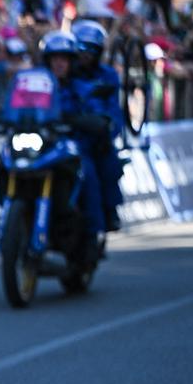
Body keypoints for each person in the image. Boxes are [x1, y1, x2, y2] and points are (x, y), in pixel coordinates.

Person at [40, 30, 104, 262]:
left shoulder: (81, 88)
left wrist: (87, 120)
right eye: (55, 58)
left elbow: (96, 112)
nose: (59, 63)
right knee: (2, 161)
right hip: (41, 147)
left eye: (64, 58)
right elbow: (16, 106)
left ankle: (92, 233)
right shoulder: (36, 85)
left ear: (71, 62)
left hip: (72, 147)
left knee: (86, 172)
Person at [71, 19, 125, 231]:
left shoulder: (107, 75)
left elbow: (114, 110)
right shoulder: (63, 72)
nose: (85, 53)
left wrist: (107, 128)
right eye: (81, 47)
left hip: (94, 137)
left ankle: (108, 212)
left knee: (107, 165)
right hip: (65, 136)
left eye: (91, 49)